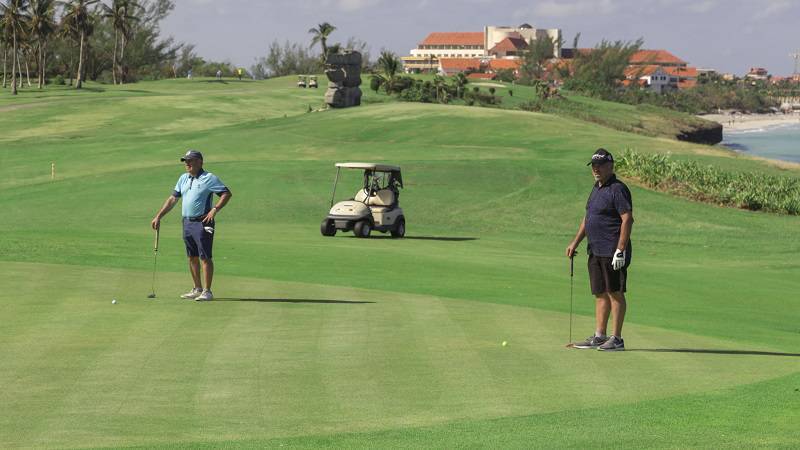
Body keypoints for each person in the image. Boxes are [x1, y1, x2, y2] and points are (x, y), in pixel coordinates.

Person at [565, 149, 634, 351]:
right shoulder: (597, 188)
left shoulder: (617, 189)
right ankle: (599, 336)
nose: (596, 169)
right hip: (595, 249)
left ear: (610, 166)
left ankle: (617, 339)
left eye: (600, 165)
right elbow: (588, 218)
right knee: (600, 293)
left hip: (612, 250)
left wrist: (620, 250)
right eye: (594, 166)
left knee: (615, 292)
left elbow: (627, 219)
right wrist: (575, 242)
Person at [151, 150, 232, 301]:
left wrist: (215, 209)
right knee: (192, 257)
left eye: (191, 160)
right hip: (187, 222)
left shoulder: (209, 178)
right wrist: (158, 216)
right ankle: (197, 288)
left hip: (203, 222)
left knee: (205, 257)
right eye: (185, 161)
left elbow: (226, 193)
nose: (187, 163)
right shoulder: (183, 178)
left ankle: (207, 291)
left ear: (200, 162)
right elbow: (172, 199)